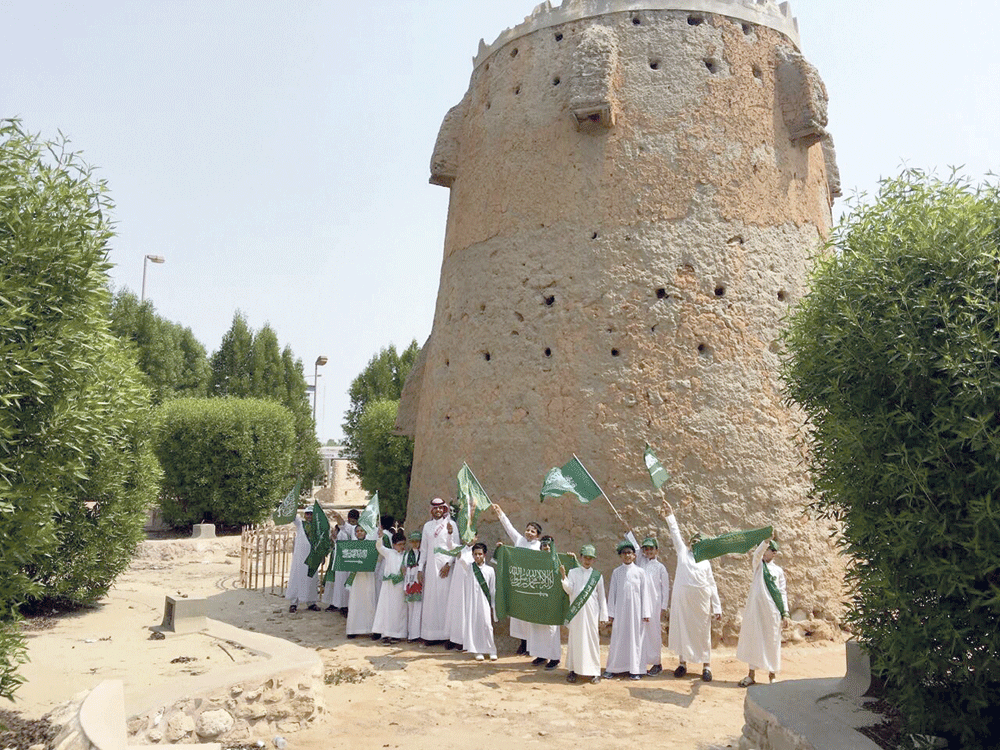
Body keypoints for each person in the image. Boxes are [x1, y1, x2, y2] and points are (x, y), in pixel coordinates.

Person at [665, 500, 722, 682]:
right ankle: (682, 664)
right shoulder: (682, 553)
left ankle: (706, 666)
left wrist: (717, 607)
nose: (695, 545)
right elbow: (675, 534)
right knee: (683, 630)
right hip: (683, 602)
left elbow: (712, 584)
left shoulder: (706, 562)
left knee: (702, 633)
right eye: (694, 542)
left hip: (701, 603)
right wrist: (670, 515)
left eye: (699, 543)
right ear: (690, 544)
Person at [491, 502, 542, 655]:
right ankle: (523, 644)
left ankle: (532, 646)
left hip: (532, 586)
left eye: (533, 531)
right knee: (519, 616)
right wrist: (500, 513)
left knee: (530, 616)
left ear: (538, 535)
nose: (529, 533)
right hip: (519, 584)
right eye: (528, 530)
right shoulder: (519, 541)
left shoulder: (540, 546)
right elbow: (509, 527)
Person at [736, 538, 787, 687]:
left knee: (772, 642)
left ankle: (772, 676)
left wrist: (785, 613)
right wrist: (765, 542)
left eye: (768, 549)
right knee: (754, 640)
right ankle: (751, 675)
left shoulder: (778, 571)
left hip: (772, 612)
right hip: (756, 611)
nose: (764, 552)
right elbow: (756, 555)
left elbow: (782, 592)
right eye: (764, 549)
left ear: (774, 553)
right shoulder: (758, 566)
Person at [603, 540, 653, 680]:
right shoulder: (616, 572)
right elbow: (612, 592)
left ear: (634, 555)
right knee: (618, 638)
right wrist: (611, 613)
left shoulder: (640, 572)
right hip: (620, 612)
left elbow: (645, 593)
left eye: (629, 553)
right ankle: (613, 668)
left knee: (636, 639)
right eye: (624, 553)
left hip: (636, 613)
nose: (627, 556)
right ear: (621, 556)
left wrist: (646, 613)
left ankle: (635, 669)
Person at [625, 530, 671, 675]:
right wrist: (628, 531)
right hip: (640, 603)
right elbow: (635, 546)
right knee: (641, 632)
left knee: (654, 633)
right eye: (646, 549)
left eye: (651, 548)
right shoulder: (640, 561)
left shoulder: (660, 567)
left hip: (654, 604)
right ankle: (640, 661)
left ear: (657, 550)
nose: (648, 551)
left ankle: (657, 663)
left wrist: (663, 606)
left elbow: (665, 588)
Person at [561, 544, 608, 684]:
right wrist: (563, 576)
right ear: (580, 557)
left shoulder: (597, 576)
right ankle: (573, 670)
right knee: (575, 641)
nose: (587, 560)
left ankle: (594, 672)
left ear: (594, 560)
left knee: (592, 641)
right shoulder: (573, 572)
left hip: (592, 613)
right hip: (576, 614)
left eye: (590, 558)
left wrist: (603, 616)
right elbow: (569, 590)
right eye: (585, 557)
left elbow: (602, 597)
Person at [418, 498, 460, 643]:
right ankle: (431, 635)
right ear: (432, 510)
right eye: (435, 508)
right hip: (430, 567)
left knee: (445, 599)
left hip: (445, 567)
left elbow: (456, 547)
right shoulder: (427, 526)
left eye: (441, 508)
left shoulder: (451, 525)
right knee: (430, 600)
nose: (438, 511)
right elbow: (423, 549)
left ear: (444, 509)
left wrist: (449, 564)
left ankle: (447, 635)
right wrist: (419, 568)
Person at [458, 541, 498, 661]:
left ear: (484, 555)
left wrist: (493, 606)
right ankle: (477, 651)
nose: (478, 556)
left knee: (487, 625)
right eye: (475, 554)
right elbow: (459, 555)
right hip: (472, 603)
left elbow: (492, 589)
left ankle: (492, 650)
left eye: (480, 554)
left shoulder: (490, 570)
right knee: (474, 625)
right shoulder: (469, 567)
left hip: (485, 602)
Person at [527, 535, 562, 669]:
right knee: (538, 628)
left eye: (548, 545)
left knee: (551, 630)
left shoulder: (558, 561)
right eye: (544, 545)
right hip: (538, 598)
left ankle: (555, 658)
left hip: (552, 600)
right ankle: (542, 655)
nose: (546, 548)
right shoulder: (535, 561)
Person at [372, 530, 409, 643]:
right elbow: (379, 546)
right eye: (399, 544)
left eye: (403, 544)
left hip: (400, 586)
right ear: (394, 545)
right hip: (388, 587)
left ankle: (398, 634)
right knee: (387, 610)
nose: (401, 547)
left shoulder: (407, 555)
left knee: (399, 610)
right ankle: (386, 634)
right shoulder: (389, 553)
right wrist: (380, 537)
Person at [345, 525, 378, 638]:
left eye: (362, 531)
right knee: (355, 603)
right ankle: (352, 630)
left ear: (365, 532)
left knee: (369, 602)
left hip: (368, 576)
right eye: (357, 531)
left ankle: (371, 629)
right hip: (356, 578)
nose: (359, 533)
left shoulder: (371, 544)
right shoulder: (351, 545)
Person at [286, 508, 321, 613]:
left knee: (312, 580)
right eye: (307, 514)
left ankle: (311, 603)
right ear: (305, 515)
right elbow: (292, 516)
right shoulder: (301, 524)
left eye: (311, 514)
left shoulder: (317, 527)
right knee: (297, 579)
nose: (309, 516)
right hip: (300, 559)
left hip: (312, 558)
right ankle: (293, 603)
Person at [325, 509, 359, 614]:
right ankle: (338, 604)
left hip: (350, 560)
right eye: (351, 521)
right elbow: (342, 526)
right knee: (338, 584)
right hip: (340, 559)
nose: (352, 523)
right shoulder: (345, 529)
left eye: (354, 521)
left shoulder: (356, 530)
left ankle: (346, 606)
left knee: (347, 584)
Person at [403, 530, 423, 641]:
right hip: (410, 581)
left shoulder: (423, 553)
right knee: (411, 609)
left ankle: (418, 634)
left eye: (417, 541)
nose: (415, 544)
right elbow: (404, 568)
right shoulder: (407, 554)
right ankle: (411, 634)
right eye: (413, 541)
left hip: (419, 582)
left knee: (419, 609)